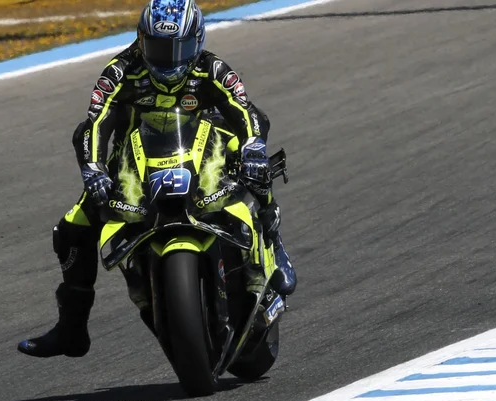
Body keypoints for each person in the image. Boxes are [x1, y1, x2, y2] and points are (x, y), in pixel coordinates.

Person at [17, 0, 296, 358]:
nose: (168, 59)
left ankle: (273, 235)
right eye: (159, 48)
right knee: (72, 228)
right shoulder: (120, 70)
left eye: (178, 48)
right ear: (141, 40)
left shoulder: (213, 69)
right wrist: (93, 168)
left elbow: (246, 111)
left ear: (197, 41)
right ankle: (72, 328)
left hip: (206, 148)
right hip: (136, 159)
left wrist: (253, 145)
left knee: (252, 158)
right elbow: (95, 123)